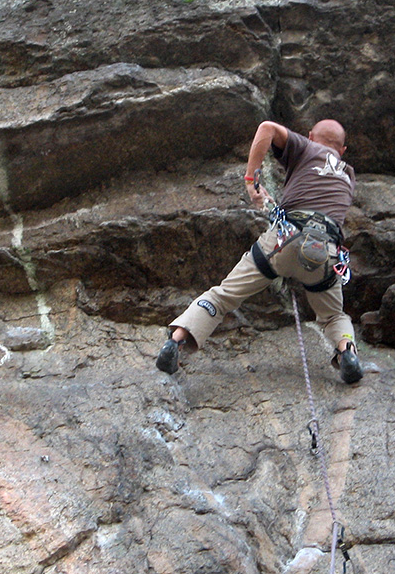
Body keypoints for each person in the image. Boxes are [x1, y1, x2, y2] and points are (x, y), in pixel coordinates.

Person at [156, 119, 363, 383]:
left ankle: (177, 340)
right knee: (333, 315)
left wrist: (251, 180)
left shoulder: (307, 148)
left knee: (223, 296)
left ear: (310, 136)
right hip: (327, 252)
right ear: (342, 150)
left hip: (284, 240)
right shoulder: (349, 173)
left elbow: (267, 128)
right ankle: (347, 350)